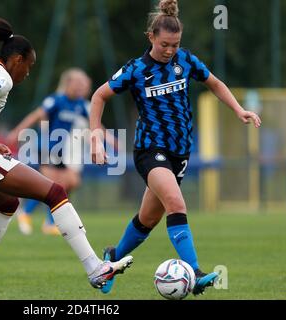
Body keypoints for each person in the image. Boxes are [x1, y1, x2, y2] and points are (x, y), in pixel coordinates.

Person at [0, 15, 133, 300]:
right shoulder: (2, 78)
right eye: (28, 66)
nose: (27, 73)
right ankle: (95, 269)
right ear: (17, 59)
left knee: (8, 204)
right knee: (55, 192)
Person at [89, 0, 261, 295]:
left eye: (175, 44)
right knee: (177, 204)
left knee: (148, 220)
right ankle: (195, 274)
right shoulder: (136, 69)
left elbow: (216, 83)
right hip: (150, 150)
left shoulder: (186, 60)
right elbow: (99, 96)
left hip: (180, 152)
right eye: (165, 44)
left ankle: (112, 259)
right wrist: (95, 134)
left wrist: (238, 109)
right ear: (151, 37)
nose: (170, 51)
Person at [7, 68, 100, 236]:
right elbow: (36, 115)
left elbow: (95, 125)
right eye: (77, 84)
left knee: (67, 184)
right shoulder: (56, 100)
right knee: (54, 186)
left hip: (66, 152)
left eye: (83, 85)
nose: (81, 88)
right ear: (68, 83)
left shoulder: (81, 105)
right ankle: (42, 220)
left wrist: (108, 140)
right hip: (50, 148)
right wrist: (17, 131)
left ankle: (30, 214)